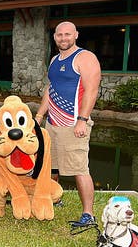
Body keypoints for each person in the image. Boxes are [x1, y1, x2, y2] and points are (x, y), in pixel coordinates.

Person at [35, 21, 101, 228]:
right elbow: (50, 89)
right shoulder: (55, 59)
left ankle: (88, 214)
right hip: (52, 123)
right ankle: (55, 198)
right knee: (51, 165)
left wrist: (82, 120)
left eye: (67, 34)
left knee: (79, 168)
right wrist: (39, 116)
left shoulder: (85, 58)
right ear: (54, 37)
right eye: (59, 35)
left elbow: (92, 91)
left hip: (73, 124)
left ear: (76, 35)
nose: (63, 38)